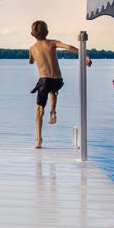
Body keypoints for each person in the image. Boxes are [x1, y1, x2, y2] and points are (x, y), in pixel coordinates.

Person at [29, 20, 92, 149]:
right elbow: (69, 47)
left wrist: (32, 58)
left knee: (39, 110)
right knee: (53, 91)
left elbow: (31, 61)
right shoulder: (52, 43)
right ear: (47, 32)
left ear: (32, 34)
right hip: (57, 79)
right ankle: (53, 111)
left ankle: (38, 140)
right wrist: (84, 55)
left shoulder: (32, 48)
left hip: (44, 80)